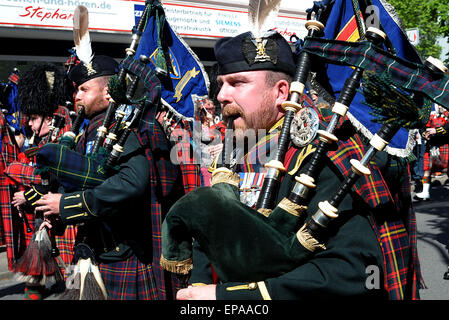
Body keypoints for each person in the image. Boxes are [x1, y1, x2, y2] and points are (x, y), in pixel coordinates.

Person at [174, 30, 421, 300]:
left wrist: (232, 297)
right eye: (221, 83)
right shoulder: (238, 146)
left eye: (236, 83)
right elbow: (212, 228)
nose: (221, 95)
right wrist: (198, 286)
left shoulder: (322, 154)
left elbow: (354, 270)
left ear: (281, 92)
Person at [33, 55, 188, 300]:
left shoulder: (124, 129)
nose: (77, 96)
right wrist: (57, 211)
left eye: (85, 89)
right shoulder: (88, 131)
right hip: (93, 252)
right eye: (76, 90)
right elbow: (88, 180)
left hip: (123, 255)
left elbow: (131, 183)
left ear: (108, 93)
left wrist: (66, 205)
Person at [3, 63, 74, 300]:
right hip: (44, 213)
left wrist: (27, 194)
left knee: (72, 273)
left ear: (49, 117)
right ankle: (36, 284)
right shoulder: (43, 139)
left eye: (34, 118)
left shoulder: (65, 137)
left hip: (65, 215)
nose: (30, 124)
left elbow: (52, 178)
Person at [414, 104, 449, 201]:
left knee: (447, 168)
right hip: (431, 144)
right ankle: (426, 192)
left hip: (445, 142)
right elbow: (421, 125)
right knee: (427, 169)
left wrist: (436, 130)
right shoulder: (427, 107)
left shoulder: (446, 106)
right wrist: (425, 134)